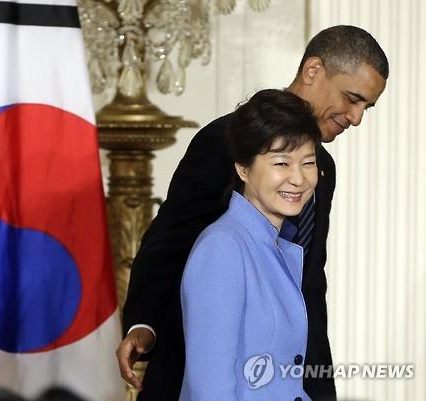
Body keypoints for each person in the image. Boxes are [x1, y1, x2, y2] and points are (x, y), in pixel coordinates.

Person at [117, 25, 388, 401]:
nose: (357, 118)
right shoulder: (222, 143)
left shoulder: (322, 169)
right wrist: (143, 323)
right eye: (352, 98)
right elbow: (170, 242)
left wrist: (319, 386)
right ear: (313, 70)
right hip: (205, 367)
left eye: (366, 108)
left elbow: (310, 283)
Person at [179, 89, 320, 400]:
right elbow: (210, 390)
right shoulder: (223, 248)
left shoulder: (275, 245)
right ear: (243, 168)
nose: (298, 178)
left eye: (308, 162)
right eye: (281, 163)